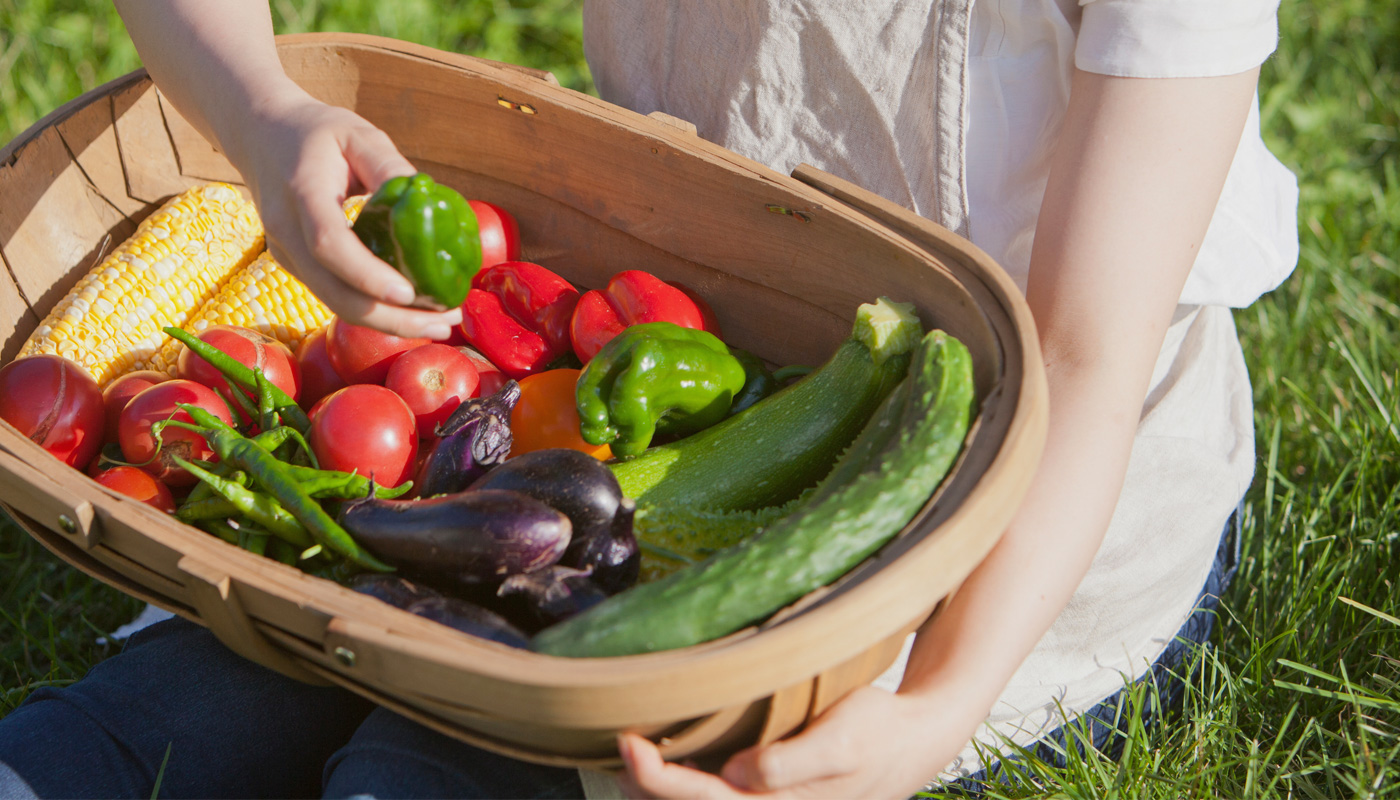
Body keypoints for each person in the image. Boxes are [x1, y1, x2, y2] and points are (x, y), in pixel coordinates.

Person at [0, 1, 1298, 798]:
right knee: (256, 670)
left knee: (474, 755)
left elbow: (1078, 362)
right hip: (663, 350)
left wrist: (932, 713)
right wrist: (263, 108)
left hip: (1027, 506)